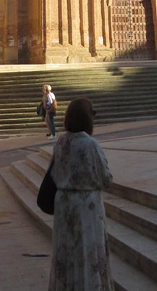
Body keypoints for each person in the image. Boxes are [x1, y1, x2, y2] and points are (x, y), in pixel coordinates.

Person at [48, 97, 113, 291]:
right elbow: (106, 178)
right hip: (87, 207)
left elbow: (54, 172)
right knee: (88, 253)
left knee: (66, 253)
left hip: (63, 205)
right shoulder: (90, 144)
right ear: (87, 118)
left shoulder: (61, 142)